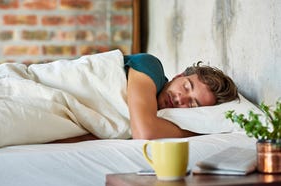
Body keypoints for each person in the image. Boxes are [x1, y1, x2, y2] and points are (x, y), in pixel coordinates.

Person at [52, 52, 238, 143]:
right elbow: (145, 133)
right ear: (178, 76)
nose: (181, 99)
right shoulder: (151, 67)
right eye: (186, 87)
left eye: (192, 104)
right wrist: (199, 131)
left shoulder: (154, 117)